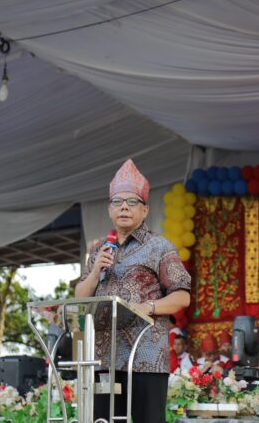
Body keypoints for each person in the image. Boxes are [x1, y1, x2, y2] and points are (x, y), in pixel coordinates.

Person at [74, 159, 191, 423]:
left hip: (144, 360)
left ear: (145, 210)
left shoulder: (159, 247)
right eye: (117, 202)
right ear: (109, 209)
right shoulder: (98, 250)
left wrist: (147, 308)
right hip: (103, 361)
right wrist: (95, 272)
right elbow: (80, 299)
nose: (124, 206)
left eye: (132, 202)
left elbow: (182, 295)